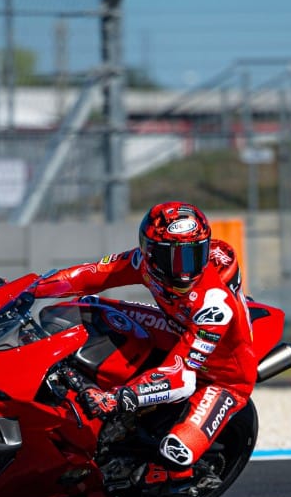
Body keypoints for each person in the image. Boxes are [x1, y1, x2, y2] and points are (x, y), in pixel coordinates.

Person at [29, 201, 255, 479]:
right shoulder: (142, 262)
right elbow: (93, 274)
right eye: (172, 258)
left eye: (194, 256)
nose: (184, 271)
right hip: (177, 330)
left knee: (176, 452)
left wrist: (117, 398)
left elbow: (181, 377)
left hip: (222, 376)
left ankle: (171, 480)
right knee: (86, 307)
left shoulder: (214, 306)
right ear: (149, 253)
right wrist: (30, 288)